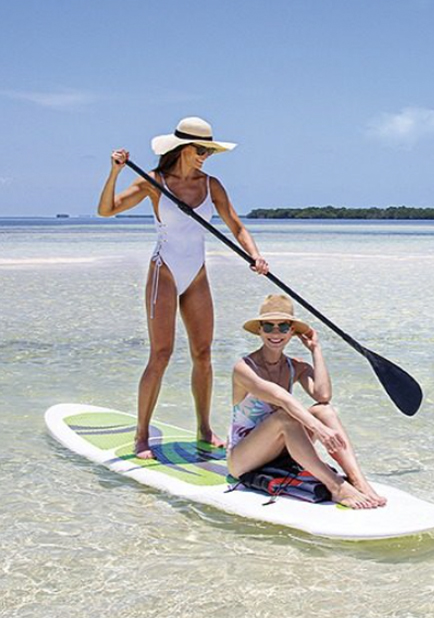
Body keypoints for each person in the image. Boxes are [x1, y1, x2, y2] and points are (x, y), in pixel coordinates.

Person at [97, 117, 270, 459]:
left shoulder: (212, 185)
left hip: (197, 275)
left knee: (203, 355)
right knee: (160, 355)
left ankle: (204, 429)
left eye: (210, 149)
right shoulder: (154, 181)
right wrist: (115, 171)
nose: (206, 154)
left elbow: (236, 225)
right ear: (183, 148)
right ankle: (141, 436)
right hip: (165, 272)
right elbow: (106, 210)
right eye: (202, 149)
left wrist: (255, 255)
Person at [227, 294, 385, 510]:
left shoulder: (295, 366)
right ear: (259, 330)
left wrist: (316, 350)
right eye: (268, 326)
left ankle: (357, 480)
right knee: (284, 417)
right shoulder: (244, 368)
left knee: (324, 411)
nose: (276, 333)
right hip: (243, 459)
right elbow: (281, 397)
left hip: (281, 452)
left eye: (283, 327)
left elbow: (323, 396)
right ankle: (337, 487)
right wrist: (317, 429)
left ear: (292, 331)